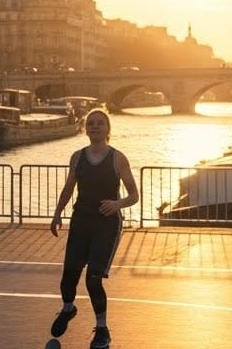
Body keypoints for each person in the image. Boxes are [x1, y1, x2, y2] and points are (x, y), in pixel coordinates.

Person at [48, 108, 139, 349]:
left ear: (108, 129)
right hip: (81, 221)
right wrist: (57, 212)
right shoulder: (77, 157)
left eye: (100, 123)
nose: (95, 127)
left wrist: (117, 204)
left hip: (106, 224)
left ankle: (102, 329)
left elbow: (134, 194)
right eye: (91, 124)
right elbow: (69, 188)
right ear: (85, 129)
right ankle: (68, 309)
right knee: (69, 276)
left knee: (93, 278)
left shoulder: (117, 158)